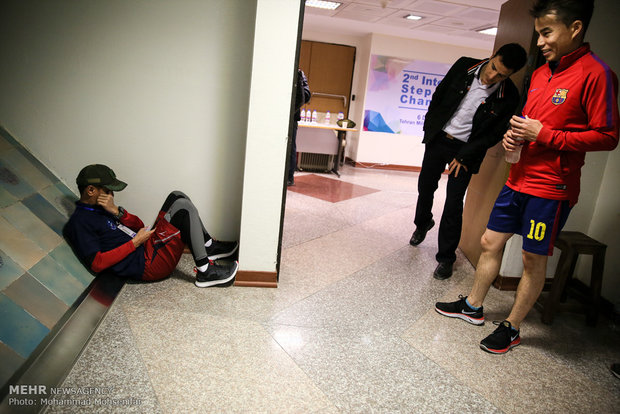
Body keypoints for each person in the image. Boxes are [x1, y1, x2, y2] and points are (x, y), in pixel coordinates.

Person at [436, 0, 618, 354]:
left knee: (533, 259)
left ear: (576, 28)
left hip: (551, 189)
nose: (539, 42)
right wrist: (512, 136)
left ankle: (513, 327)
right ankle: (473, 307)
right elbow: (528, 125)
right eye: (538, 34)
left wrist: (544, 134)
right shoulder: (541, 72)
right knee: (490, 242)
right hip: (516, 178)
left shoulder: (597, 74)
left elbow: (607, 136)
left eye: (546, 33)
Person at [410, 43, 527, 280]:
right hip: (439, 139)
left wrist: (464, 155)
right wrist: (429, 130)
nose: (493, 76)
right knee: (425, 187)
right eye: (494, 67)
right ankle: (423, 223)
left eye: (502, 75)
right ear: (492, 56)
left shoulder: (509, 95)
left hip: (464, 151)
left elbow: (492, 133)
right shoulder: (465, 66)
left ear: (510, 75)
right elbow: (439, 95)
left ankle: (445, 259)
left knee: (454, 203)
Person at [64, 164, 239, 288]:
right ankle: (205, 271)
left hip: (145, 247)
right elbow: (97, 263)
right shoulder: (80, 222)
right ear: (91, 190)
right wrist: (135, 242)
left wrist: (117, 212)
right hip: (147, 265)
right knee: (183, 208)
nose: (112, 195)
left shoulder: (102, 208)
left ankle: (208, 246)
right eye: (108, 190)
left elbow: (139, 225)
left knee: (177, 196)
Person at [288, 68, 311, 186]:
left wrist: (300, 82)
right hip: (279, 117)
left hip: (292, 117)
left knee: (290, 148)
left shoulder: (299, 73)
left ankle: (289, 177)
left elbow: (306, 96)